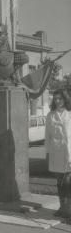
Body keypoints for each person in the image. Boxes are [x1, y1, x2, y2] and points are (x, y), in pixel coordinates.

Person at [45, 89, 71, 218]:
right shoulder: (50, 115)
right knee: (60, 182)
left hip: (69, 152)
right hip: (56, 153)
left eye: (60, 98)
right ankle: (62, 208)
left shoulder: (70, 114)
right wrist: (48, 152)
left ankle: (69, 209)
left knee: (68, 182)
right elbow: (47, 136)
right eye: (55, 98)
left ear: (65, 99)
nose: (57, 101)